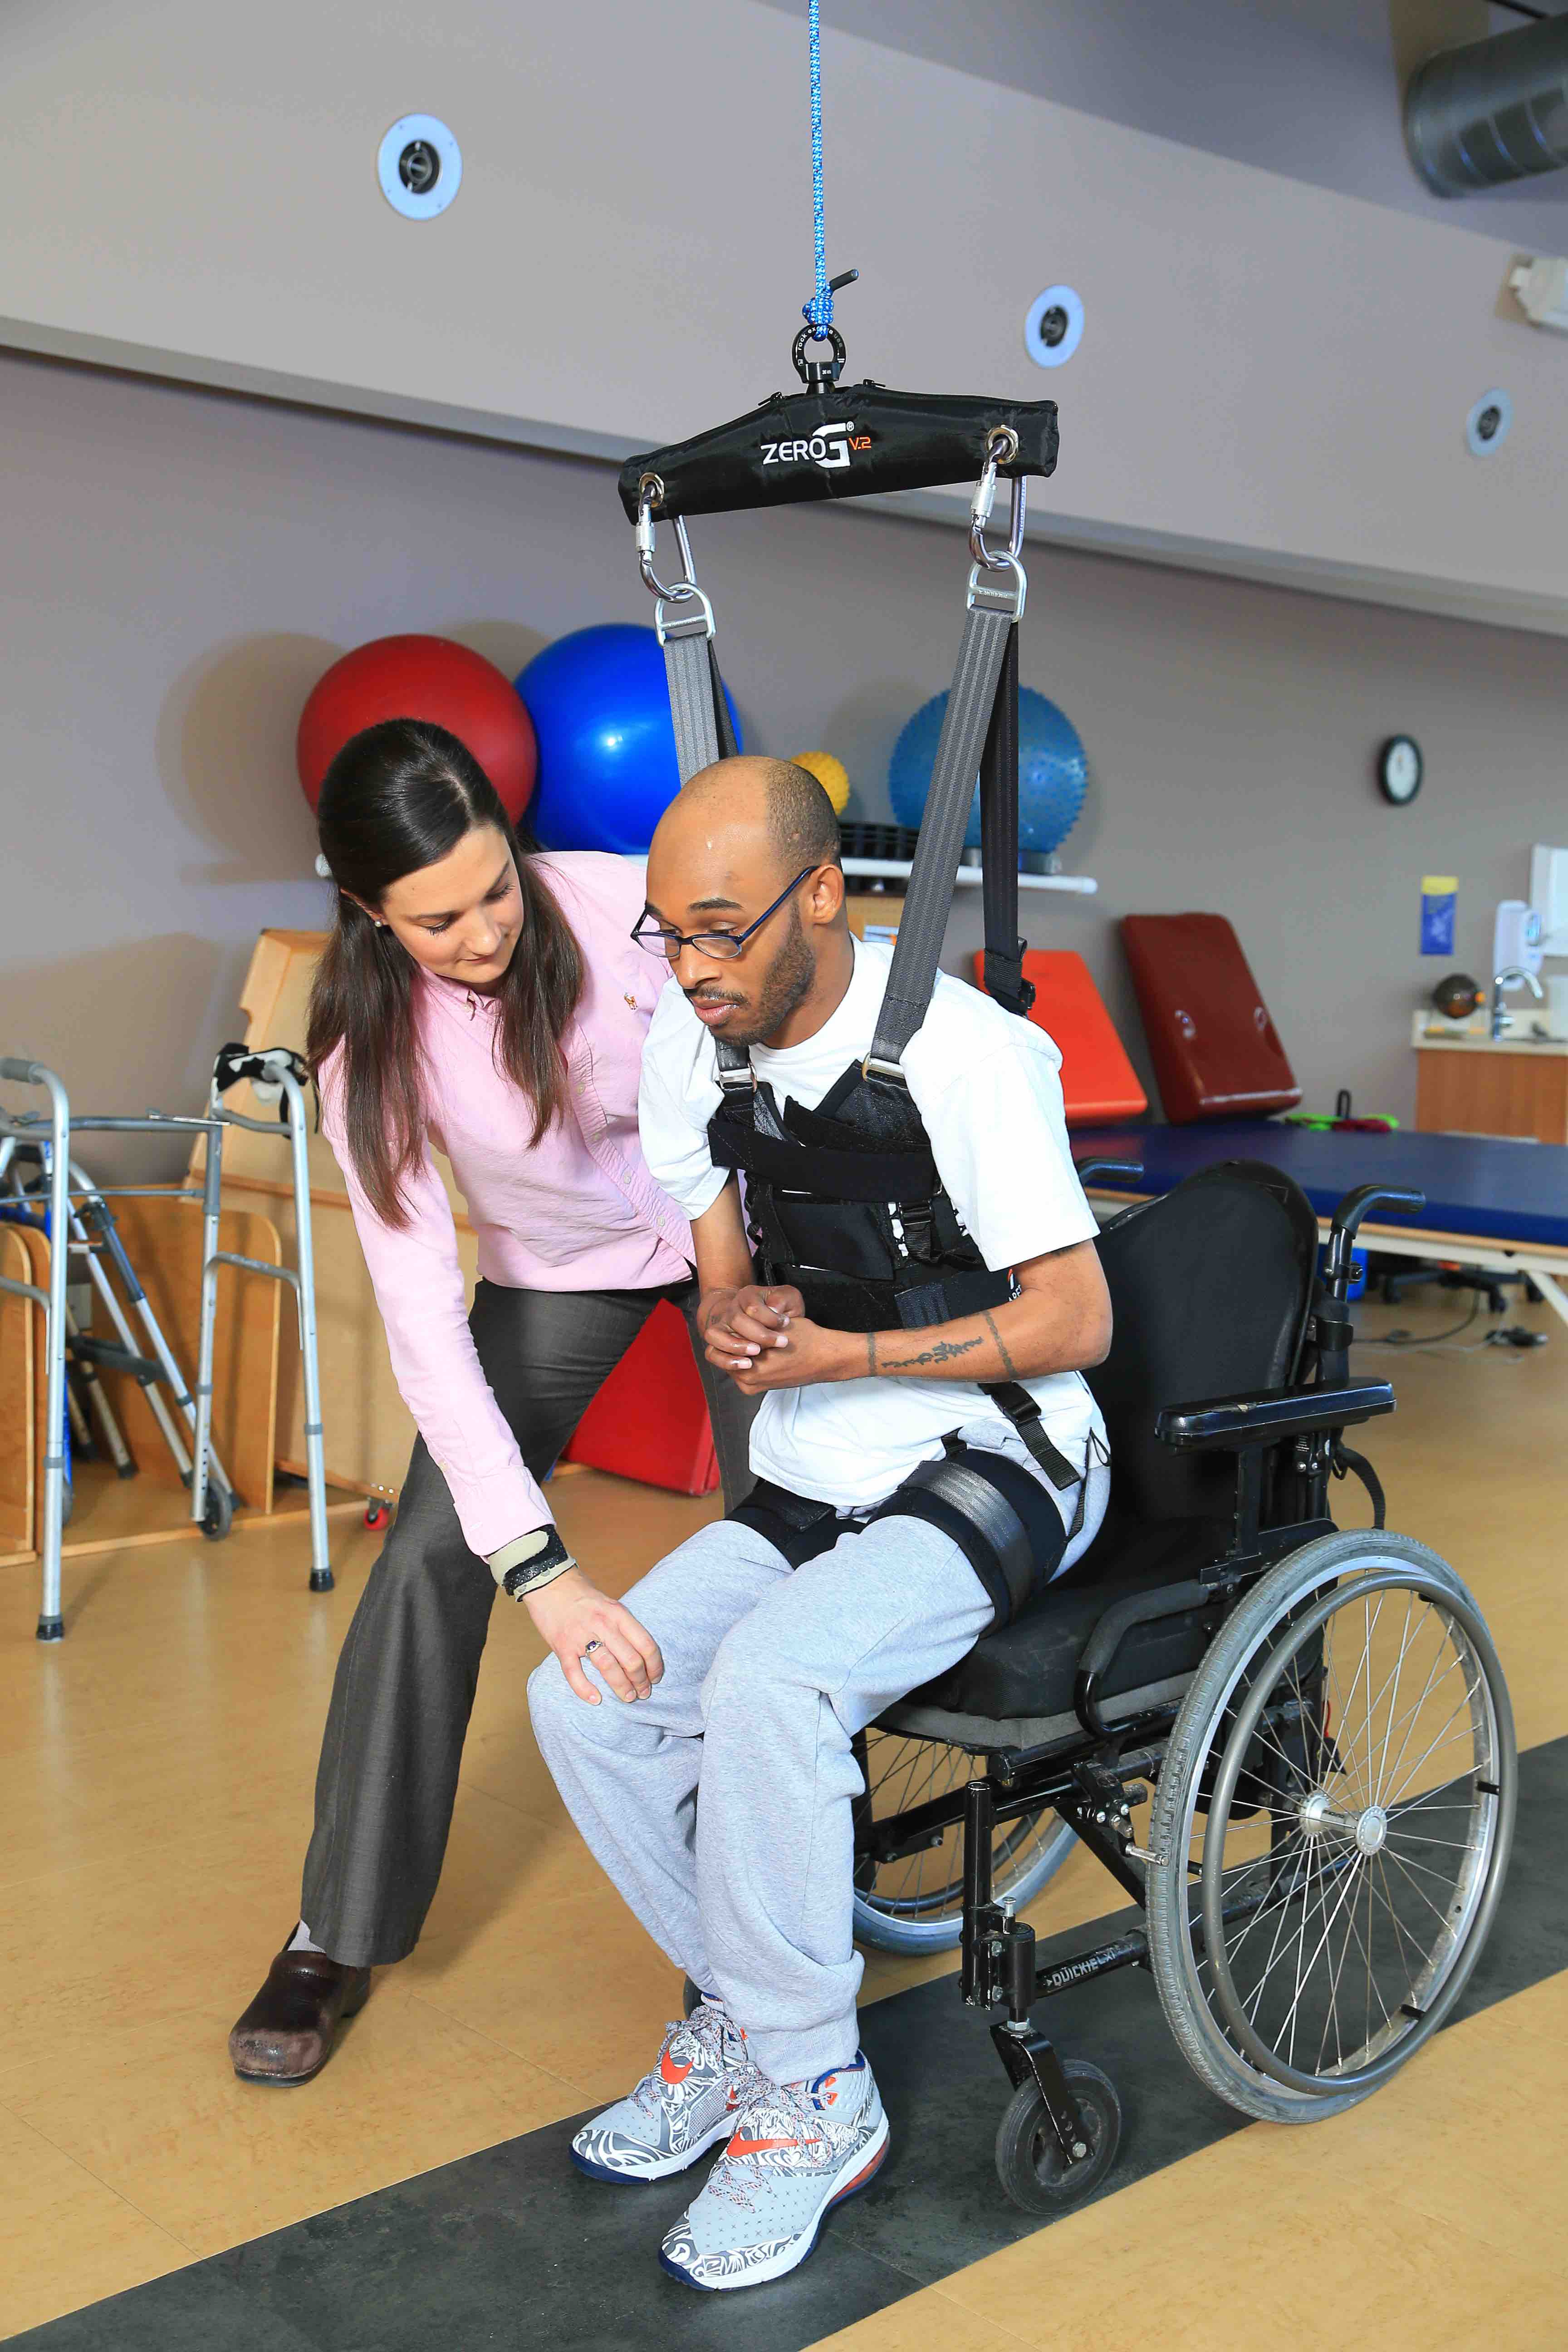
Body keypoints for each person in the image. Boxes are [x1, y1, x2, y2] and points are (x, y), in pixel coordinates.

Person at [528, 755, 1112, 2292]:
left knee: (771, 1684)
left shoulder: (967, 1056)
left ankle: (812, 2094)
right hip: (820, 1466)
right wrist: (738, 1320)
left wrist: (850, 1353)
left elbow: (1076, 1318)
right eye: (667, 935)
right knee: (581, 1694)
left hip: (1008, 1449)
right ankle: (747, 2016)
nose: (693, 969)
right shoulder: (690, 1044)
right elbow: (726, 1275)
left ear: (820, 898)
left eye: (721, 930)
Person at [228, 719, 755, 2086]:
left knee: (809, 1526)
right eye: (438, 918)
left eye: (495, 890)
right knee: (422, 1558)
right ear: (367, 912)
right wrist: (544, 1572)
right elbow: (420, 1322)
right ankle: (333, 1931)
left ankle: (820, 1851)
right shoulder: (370, 1054)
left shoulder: (616, 904)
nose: (484, 933)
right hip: (563, 1276)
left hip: (733, 1243)